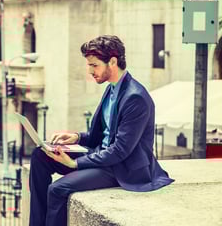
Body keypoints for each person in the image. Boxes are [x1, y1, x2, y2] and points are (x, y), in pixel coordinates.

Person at [29, 35, 175, 226]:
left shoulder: (135, 98)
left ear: (112, 62)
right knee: (40, 156)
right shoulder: (112, 89)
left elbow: (120, 150)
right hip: (101, 156)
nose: (90, 71)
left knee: (58, 189)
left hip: (121, 168)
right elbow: (102, 136)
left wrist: (75, 164)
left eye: (94, 65)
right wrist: (76, 137)